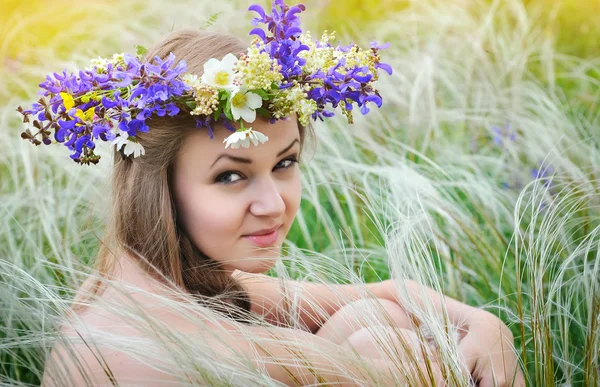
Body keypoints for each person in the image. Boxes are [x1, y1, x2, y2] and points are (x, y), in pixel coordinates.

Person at [18, 1, 525, 385]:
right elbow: (390, 365)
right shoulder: (148, 339)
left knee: (376, 320)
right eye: (230, 176)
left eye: (284, 163)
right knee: (381, 342)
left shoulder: (164, 279)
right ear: (159, 188)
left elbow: (389, 294)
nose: (273, 204)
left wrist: (486, 325)